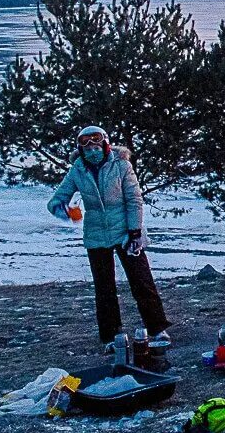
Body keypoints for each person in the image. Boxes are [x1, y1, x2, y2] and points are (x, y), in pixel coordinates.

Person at [47, 125, 170, 347]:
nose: (92, 152)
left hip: (126, 231)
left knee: (141, 281)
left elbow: (134, 200)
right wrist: (67, 212)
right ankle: (111, 336)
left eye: (96, 146)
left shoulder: (122, 164)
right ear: (81, 151)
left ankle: (157, 328)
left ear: (105, 145)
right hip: (96, 234)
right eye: (87, 148)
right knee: (104, 288)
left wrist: (134, 232)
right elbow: (55, 202)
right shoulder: (78, 170)